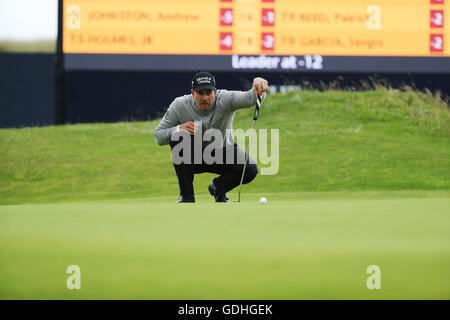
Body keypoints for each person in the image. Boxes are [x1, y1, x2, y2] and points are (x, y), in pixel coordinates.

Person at [154, 71, 269, 203]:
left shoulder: (225, 98)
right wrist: (178, 128)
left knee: (250, 169)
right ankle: (186, 196)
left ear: (215, 92)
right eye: (200, 93)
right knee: (178, 137)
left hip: (223, 153)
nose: (205, 98)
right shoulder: (179, 105)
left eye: (208, 93)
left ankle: (218, 188)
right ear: (192, 93)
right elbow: (158, 136)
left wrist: (258, 84)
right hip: (192, 157)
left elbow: (252, 98)